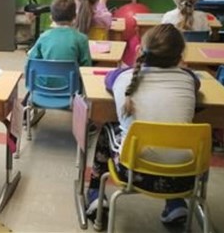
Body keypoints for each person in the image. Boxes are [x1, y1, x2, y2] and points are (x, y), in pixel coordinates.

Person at [85, 24, 200, 225]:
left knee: (107, 130)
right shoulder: (189, 79)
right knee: (174, 136)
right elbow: (196, 82)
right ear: (180, 55)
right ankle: (175, 202)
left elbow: (108, 79)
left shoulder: (123, 77)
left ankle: (95, 194)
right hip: (185, 174)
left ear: (141, 50)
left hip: (132, 171)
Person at [28, 0, 92, 66]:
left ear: (51, 18)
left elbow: (30, 63)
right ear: (75, 17)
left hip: (46, 76)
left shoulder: (44, 37)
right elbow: (87, 66)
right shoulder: (82, 38)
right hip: (71, 77)